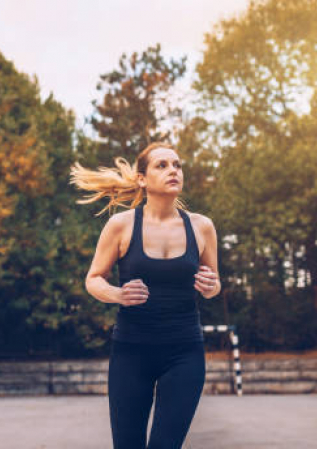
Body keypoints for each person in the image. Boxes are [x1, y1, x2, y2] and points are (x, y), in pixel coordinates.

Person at [70, 142, 221, 449]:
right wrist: (117, 294)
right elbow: (93, 279)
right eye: (162, 165)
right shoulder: (121, 225)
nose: (173, 171)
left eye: (177, 165)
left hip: (184, 353)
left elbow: (214, 283)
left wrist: (211, 286)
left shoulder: (202, 227)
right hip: (131, 353)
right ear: (142, 179)